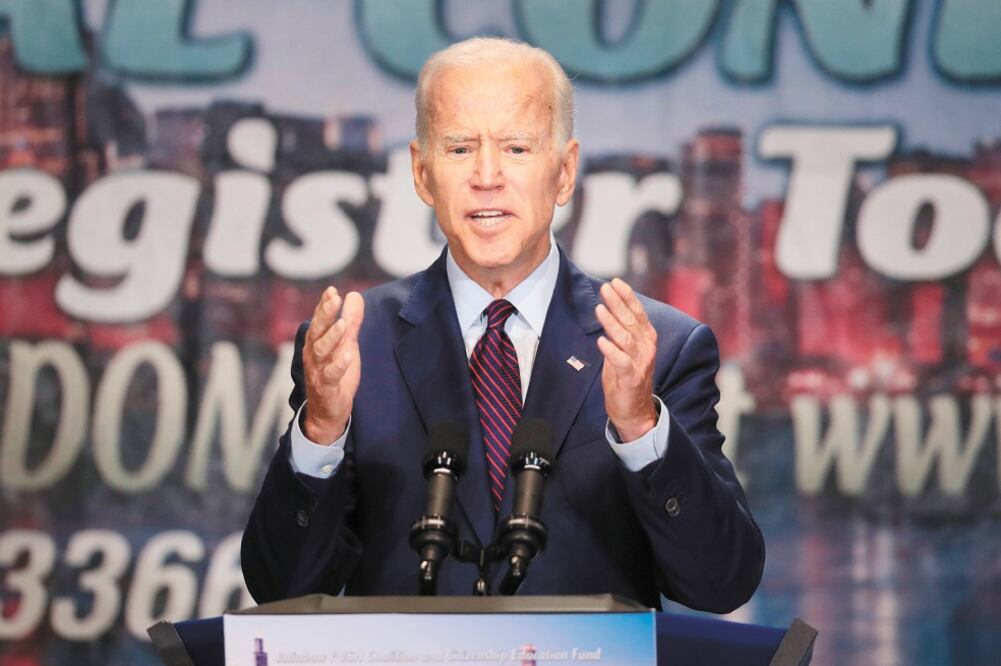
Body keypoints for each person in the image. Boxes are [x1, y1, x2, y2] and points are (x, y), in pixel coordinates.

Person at [241, 36, 763, 612]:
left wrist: (641, 426)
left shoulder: (657, 348)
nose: (487, 176)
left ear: (564, 173)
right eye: (460, 149)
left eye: (516, 149)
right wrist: (320, 433)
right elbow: (280, 589)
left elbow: (722, 581)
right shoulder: (355, 346)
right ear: (421, 172)